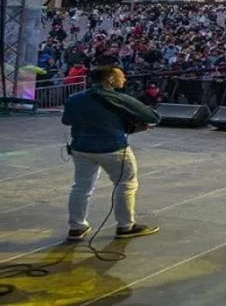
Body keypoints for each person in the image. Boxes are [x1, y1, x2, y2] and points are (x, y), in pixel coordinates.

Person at [62, 64, 160, 241]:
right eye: (121, 75)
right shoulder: (118, 98)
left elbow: (67, 120)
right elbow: (152, 117)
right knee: (125, 184)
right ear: (110, 79)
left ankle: (76, 227)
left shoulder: (74, 97)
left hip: (81, 148)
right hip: (112, 148)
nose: (125, 79)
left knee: (81, 187)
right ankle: (125, 226)